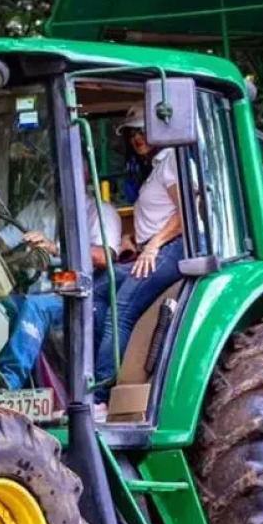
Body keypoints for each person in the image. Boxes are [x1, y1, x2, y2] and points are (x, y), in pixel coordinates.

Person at [0, 170, 123, 391]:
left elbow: (103, 256)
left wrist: (54, 248)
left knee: (36, 307)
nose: (57, 177)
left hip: (78, 292)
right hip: (39, 290)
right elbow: (1, 244)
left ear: (86, 173)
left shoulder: (100, 212)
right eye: (53, 170)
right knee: (1, 304)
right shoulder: (38, 210)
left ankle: (8, 379)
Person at [91, 105, 186, 396]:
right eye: (133, 132)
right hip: (152, 248)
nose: (137, 137)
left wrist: (154, 245)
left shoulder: (170, 159)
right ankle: (95, 375)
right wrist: (133, 240)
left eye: (144, 130)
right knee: (96, 289)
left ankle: (101, 395)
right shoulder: (156, 166)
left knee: (120, 310)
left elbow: (188, 213)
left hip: (171, 248)